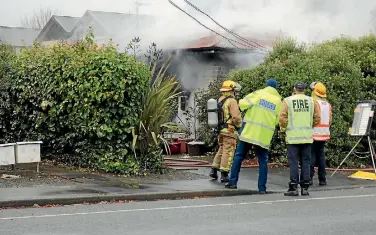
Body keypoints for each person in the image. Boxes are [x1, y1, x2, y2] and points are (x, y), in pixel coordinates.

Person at [224, 78, 282, 194]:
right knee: (263, 161)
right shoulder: (278, 101)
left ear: (266, 86)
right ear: (275, 88)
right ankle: (262, 188)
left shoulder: (258, 94)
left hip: (249, 133)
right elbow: (278, 120)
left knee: (239, 156)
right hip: (263, 136)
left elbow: (242, 104)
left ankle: (233, 182)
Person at [279, 81, 320, 196]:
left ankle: (293, 187)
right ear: (305, 90)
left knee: (294, 163)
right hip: (306, 137)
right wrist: (309, 126)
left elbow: (282, 118)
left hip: (292, 138)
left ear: (294, 89)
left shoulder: (287, 101)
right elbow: (317, 117)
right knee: (306, 162)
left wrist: (284, 128)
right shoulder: (312, 101)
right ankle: (305, 188)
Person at [209, 80, 242, 183]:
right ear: (232, 90)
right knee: (228, 151)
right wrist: (239, 125)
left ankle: (214, 169)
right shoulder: (232, 101)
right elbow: (236, 117)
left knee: (222, 149)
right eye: (235, 90)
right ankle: (224, 173)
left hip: (221, 130)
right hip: (229, 130)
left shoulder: (220, 99)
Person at [310, 82, 332, 186]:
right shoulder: (328, 105)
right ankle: (322, 179)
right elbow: (330, 120)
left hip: (314, 133)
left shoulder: (314, 103)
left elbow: (313, 118)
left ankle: (309, 178)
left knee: (311, 156)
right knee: (321, 156)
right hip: (324, 134)